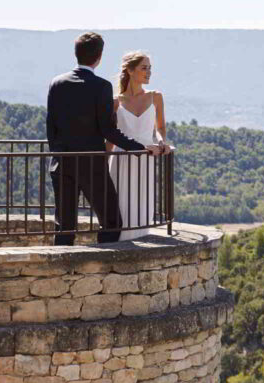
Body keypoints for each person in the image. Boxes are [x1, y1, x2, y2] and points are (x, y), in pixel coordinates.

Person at [46, 32, 164, 245]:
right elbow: (108, 131)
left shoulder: (57, 83)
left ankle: (63, 269)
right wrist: (140, 148)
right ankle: (104, 262)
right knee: (111, 221)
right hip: (92, 165)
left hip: (61, 163)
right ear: (99, 57)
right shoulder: (101, 86)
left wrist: (58, 153)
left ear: (76, 54)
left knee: (64, 225)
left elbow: (50, 126)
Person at [110, 51, 173, 240]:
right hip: (121, 159)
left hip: (145, 158)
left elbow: (160, 127)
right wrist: (101, 164)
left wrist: (161, 141)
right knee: (120, 204)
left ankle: (138, 241)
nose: (149, 72)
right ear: (130, 70)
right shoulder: (116, 101)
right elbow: (110, 137)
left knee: (141, 203)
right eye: (144, 68)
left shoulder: (156, 97)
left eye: (150, 68)